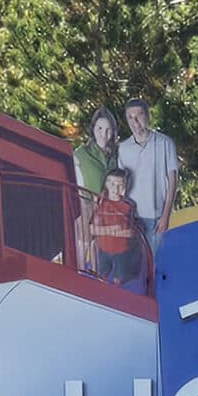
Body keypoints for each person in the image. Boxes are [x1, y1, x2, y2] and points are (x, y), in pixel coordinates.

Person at [117, 99, 179, 259]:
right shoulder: (123, 149)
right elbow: (119, 185)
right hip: (132, 217)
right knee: (136, 265)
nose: (135, 121)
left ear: (148, 116)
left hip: (156, 216)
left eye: (139, 115)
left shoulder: (164, 143)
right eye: (130, 117)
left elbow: (172, 182)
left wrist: (166, 215)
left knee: (155, 262)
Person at [72, 107, 118, 273]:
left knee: (101, 245)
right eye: (99, 128)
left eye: (108, 129)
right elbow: (72, 176)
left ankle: (98, 275)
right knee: (84, 238)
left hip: (107, 208)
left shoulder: (114, 157)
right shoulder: (81, 153)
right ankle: (77, 271)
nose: (103, 133)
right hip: (85, 202)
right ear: (93, 129)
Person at [91, 171, 139, 286]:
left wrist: (111, 232)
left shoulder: (129, 206)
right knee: (101, 277)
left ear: (125, 186)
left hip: (121, 251)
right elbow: (92, 229)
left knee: (119, 279)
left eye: (120, 185)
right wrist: (113, 230)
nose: (116, 188)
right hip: (103, 249)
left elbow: (131, 233)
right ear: (106, 184)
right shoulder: (100, 203)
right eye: (112, 184)